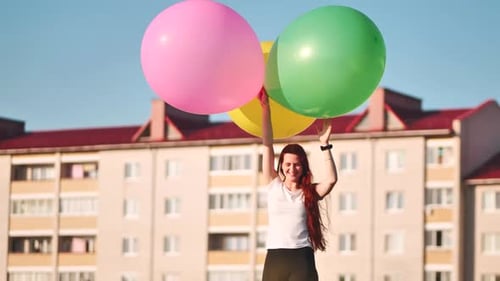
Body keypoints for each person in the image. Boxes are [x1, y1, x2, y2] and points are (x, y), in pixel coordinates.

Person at [259, 90, 338, 281]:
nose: (292, 168)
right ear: (281, 166)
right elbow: (267, 144)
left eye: (297, 164)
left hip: (301, 258)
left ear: (303, 167)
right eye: (287, 164)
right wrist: (265, 109)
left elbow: (331, 180)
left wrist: (325, 145)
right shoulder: (273, 184)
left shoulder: (308, 192)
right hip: (275, 257)